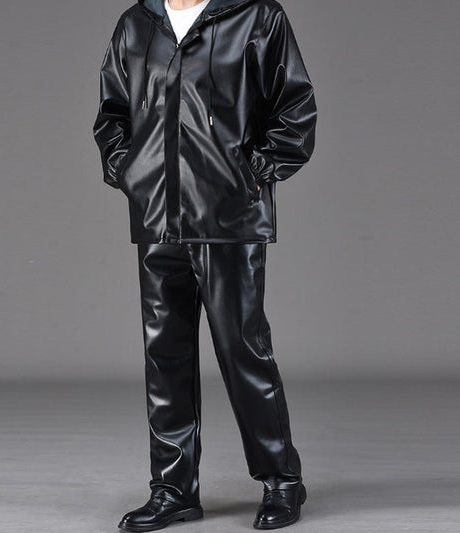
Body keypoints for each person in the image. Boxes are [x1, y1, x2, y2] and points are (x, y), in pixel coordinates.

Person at [92, 0, 317, 530]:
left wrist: (250, 175)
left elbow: (295, 106)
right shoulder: (136, 24)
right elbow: (112, 113)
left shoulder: (257, 17)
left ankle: (282, 480)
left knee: (243, 350)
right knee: (164, 356)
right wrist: (130, 170)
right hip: (157, 217)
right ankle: (173, 489)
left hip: (228, 219)